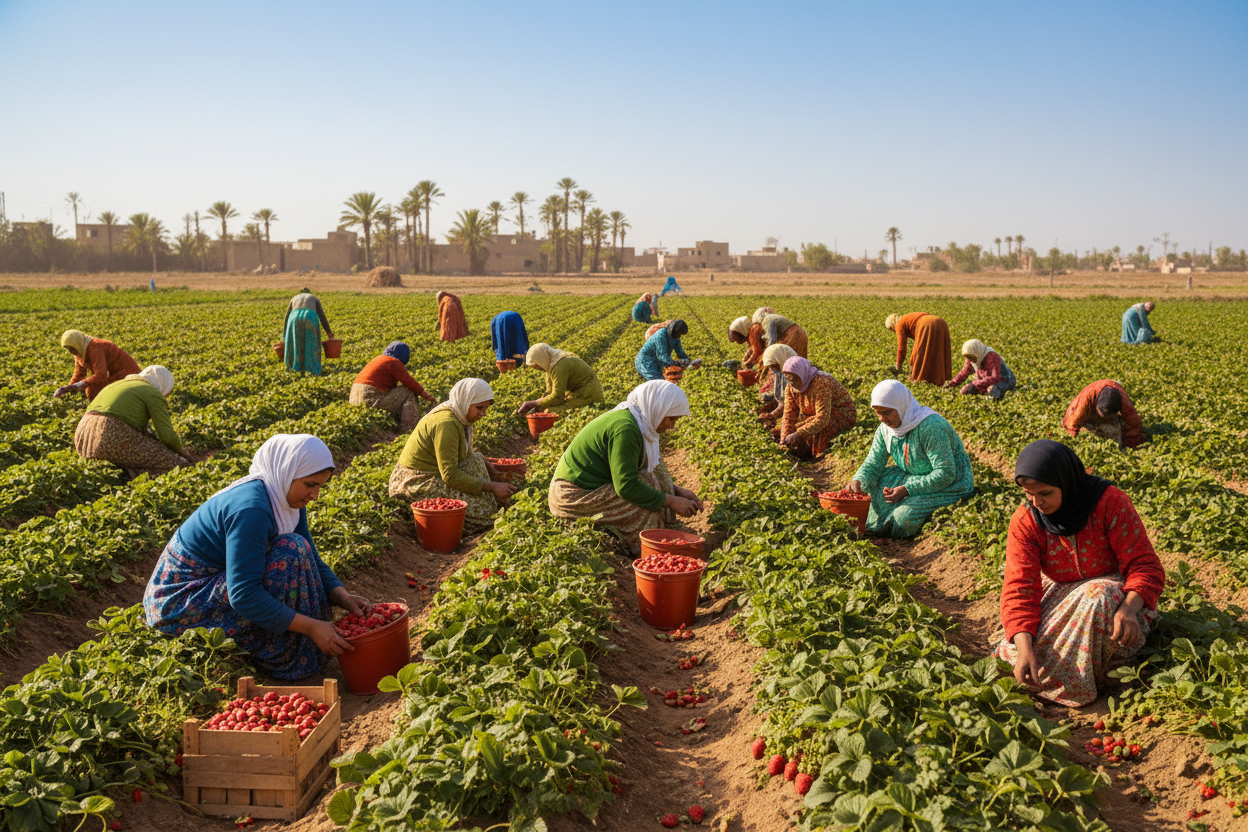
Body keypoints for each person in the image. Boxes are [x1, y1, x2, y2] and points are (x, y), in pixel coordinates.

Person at [142, 434, 369, 680]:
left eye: (320, 486)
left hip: (218, 582)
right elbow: (244, 594)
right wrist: (312, 627)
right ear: (286, 471)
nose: (315, 496)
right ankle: (277, 655)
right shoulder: (252, 509)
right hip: (178, 602)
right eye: (310, 484)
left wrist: (342, 596)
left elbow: (312, 557)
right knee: (289, 551)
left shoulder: (285, 499)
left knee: (296, 548)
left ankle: (295, 643)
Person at [994, 440, 1164, 707]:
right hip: (1066, 593)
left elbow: (1145, 566)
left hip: (1118, 598)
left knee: (1097, 596)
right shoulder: (1026, 520)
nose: (1038, 502)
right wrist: (1025, 648)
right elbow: (1020, 587)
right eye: (1029, 494)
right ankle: (1071, 675)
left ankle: (1077, 684)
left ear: (1066, 481)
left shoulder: (1109, 502)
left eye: (1045, 493)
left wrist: (1130, 608)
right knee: (1013, 652)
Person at [548, 380, 702, 553]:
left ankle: (663, 531)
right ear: (656, 408)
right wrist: (670, 501)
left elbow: (643, 470)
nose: (672, 426)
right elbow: (626, 486)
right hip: (571, 495)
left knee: (653, 476)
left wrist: (677, 491)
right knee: (643, 496)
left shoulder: (639, 421)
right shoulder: (626, 428)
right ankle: (644, 547)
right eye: (671, 419)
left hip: (594, 485)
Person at [847, 380, 973, 538]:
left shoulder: (931, 427)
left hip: (951, 482)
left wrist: (907, 489)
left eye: (886, 412)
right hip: (914, 475)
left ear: (901, 406)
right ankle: (875, 526)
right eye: (877, 412)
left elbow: (946, 473)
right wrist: (858, 481)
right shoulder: (885, 430)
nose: (881, 418)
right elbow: (873, 464)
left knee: (903, 518)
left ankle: (905, 526)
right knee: (874, 487)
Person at [388, 378, 516, 531]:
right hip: (415, 482)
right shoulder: (446, 424)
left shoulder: (458, 415)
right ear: (465, 401)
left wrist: (487, 466)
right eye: (480, 408)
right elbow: (450, 475)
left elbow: (464, 456)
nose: (483, 413)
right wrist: (491, 486)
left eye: (486, 408)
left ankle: (490, 500)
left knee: (476, 459)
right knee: (488, 515)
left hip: (435, 472)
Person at [74, 365, 189, 477]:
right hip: (110, 434)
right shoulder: (151, 391)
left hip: (82, 438)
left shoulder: (116, 385)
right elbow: (166, 435)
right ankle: (142, 476)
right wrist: (180, 451)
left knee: (137, 447)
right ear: (163, 384)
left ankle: (127, 469)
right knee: (177, 464)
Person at [778, 357, 857, 459]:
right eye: (788, 379)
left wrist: (799, 433)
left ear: (802, 374)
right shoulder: (791, 387)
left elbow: (823, 418)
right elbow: (789, 414)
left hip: (840, 414)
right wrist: (784, 440)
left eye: (794, 379)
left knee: (808, 431)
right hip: (814, 415)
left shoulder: (821, 382)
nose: (792, 383)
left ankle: (815, 455)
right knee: (793, 429)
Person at [349, 341, 437, 432]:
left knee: (400, 393)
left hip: (354, 399)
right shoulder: (393, 362)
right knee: (408, 391)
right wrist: (429, 397)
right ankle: (410, 428)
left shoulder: (378, 359)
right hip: (371, 399)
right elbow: (410, 383)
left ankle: (398, 423)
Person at [517, 343, 604, 415]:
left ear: (542, 358)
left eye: (538, 366)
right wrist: (539, 404)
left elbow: (558, 396)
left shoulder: (560, 365)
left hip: (589, 396)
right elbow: (550, 391)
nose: (540, 369)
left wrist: (535, 403)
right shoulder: (551, 363)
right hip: (576, 394)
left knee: (551, 412)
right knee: (545, 409)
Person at [54, 330, 141, 401]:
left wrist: (75, 386)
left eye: (72, 349)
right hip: (110, 374)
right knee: (92, 390)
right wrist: (67, 389)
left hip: (125, 372)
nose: (71, 352)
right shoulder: (80, 351)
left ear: (77, 342)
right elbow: (79, 373)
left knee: (113, 396)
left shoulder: (96, 347)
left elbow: (101, 375)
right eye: (68, 349)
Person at [1063, 380, 1145, 449]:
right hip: (1088, 418)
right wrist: (1074, 439)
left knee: (1115, 431)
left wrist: (1133, 442)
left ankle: (1117, 447)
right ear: (1096, 406)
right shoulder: (1084, 402)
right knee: (1086, 433)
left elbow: (1133, 422)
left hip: (1110, 415)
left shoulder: (1123, 400)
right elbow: (1072, 424)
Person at [885, 312, 952, 386]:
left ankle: (918, 379)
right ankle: (939, 380)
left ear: (892, 325)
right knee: (937, 350)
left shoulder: (899, 323)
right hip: (941, 323)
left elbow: (901, 348)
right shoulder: (907, 318)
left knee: (919, 355)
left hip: (926, 325)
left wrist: (898, 365)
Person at [945, 339, 1017, 400]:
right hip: (984, 381)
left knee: (992, 389)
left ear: (977, 352)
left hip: (1004, 380)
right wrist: (951, 384)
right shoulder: (971, 357)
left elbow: (996, 377)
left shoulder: (992, 356)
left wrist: (976, 383)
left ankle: (994, 400)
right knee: (965, 390)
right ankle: (984, 394)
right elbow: (964, 373)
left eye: (971, 357)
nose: (970, 360)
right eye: (968, 358)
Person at [284, 290, 333, 376]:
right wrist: (329, 332)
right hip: (309, 315)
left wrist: (285, 336)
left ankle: (295, 367)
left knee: (296, 342)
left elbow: (287, 316)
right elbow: (322, 316)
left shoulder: (294, 298)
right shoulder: (314, 298)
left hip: (294, 316)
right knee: (312, 343)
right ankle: (313, 369)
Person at [758, 343, 799, 427]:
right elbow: (782, 401)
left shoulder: (794, 375)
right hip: (786, 408)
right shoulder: (780, 372)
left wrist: (772, 415)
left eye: (773, 365)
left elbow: (790, 404)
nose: (773, 369)